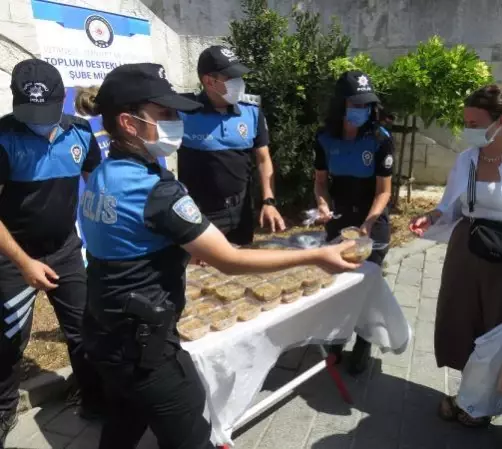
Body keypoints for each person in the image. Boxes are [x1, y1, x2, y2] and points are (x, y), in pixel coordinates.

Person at [75, 62, 361, 449]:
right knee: (190, 426)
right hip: (142, 344)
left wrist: (176, 251)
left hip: (106, 327)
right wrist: (317, 256)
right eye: (165, 114)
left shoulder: (106, 173)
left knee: (126, 416)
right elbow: (230, 260)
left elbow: (126, 240)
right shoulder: (155, 190)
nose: (176, 121)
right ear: (129, 123)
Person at [409, 85, 502, 426]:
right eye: (466, 122)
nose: (469, 129)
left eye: (475, 122)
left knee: (498, 328)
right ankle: (471, 396)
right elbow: (450, 206)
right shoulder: (467, 160)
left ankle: (481, 404)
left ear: (501, 121)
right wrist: (430, 217)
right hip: (466, 250)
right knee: (461, 322)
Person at [0, 59, 104, 445]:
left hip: (64, 251)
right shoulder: (3, 137)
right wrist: (24, 263)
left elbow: (98, 185)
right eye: (30, 112)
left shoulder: (79, 133)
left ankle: (94, 399)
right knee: (8, 340)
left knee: (83, 331)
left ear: (63, 100)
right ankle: (4, 410)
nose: (38, 121)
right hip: (13, 257)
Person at [314, 71, 394, 374]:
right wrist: (322, 203)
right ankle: (336, 337)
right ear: (341, 105)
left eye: (366, 104)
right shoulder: (324, 137)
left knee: (366, 283)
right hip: (339, 220)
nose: (362, 110)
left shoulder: (380, 139)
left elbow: (384, 191)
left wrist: (368, 225)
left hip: (371, 220)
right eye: (354, 104)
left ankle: (364, 339)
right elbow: (321, 182)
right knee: (337, 279)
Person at [178, 45, 285, 246]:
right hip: (201, 214)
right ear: (209, 81)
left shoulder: (251, 112)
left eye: (239, 76)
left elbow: (263, 159)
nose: (240, 83)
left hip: (241, 210)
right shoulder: (183, 112)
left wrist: (268, 200)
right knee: (202, 272)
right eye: (232, 78)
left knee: (242, 263)